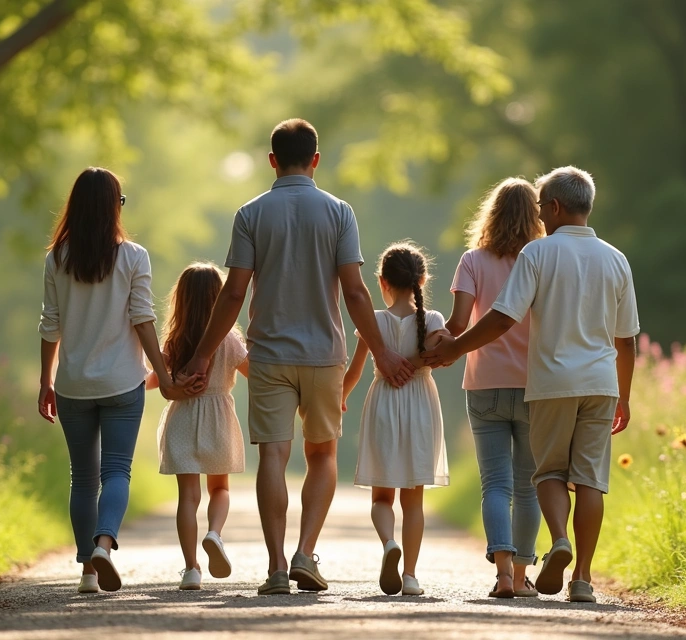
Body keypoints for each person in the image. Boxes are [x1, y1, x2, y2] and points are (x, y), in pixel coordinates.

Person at [182, 119, 416, 595]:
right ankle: (305, 553)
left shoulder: (250, 213)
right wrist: (385, 353)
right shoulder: (339, 213)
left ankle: (274, 568)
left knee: (274, 453)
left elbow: (232, 295)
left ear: (272, 160)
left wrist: (203, 355)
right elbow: (354, 291)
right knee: (322, 453)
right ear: (315, 159)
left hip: (268, 354)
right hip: (324, 355)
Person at [424, 166, 639, 602]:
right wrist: (626, 397)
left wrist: (454, 349)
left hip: (552, 383)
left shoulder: (538, 256)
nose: (540, 216)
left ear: (557, 206)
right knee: (592, 481)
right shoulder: (616, 259)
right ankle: (582, 578)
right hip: (602, 384)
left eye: (544, 206)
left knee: (547, 474)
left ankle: (557, 539)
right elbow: (627, 339)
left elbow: (503, 318)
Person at [37, 167, 182, 594]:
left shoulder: (56, 258)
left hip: (73, 384)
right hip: (122, 383)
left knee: (81, 477)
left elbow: (51, 324)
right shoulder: (134, 256)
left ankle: (86, 573)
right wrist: (164, 372)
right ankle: (103, 545)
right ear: (111, 208)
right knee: (116, 470)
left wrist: (46, 380)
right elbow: (143, 319)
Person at [444, 177, 545, 599]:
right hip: (535, 384)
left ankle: (503, 575)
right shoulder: (542, 260)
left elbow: (457, 325)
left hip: (483, 383)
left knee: (495, 485)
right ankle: (522, 579)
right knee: (528, 485)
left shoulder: (472, 261)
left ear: (492, 213)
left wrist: (432, 347)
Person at [343, 243, 450, 597]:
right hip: (421, 404)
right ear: (422, 279)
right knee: (413, 501)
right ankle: (411, 576)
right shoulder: (432, 320)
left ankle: (389, 542)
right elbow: (442, 352)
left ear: (381, 281)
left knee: (381, 498)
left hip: (384, 403)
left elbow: (354, 372)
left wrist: (339, 399)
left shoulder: (372, 322)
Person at [156, 263, 249, 591]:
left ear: (181, 300)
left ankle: (191, 568)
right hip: (218, 417)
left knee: (188, 497)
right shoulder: (230, 339)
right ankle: (214, 533)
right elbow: (254, 372)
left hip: (182, 418)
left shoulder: (175, 339)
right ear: (219, 298)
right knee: (219, 489)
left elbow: (156, 379)